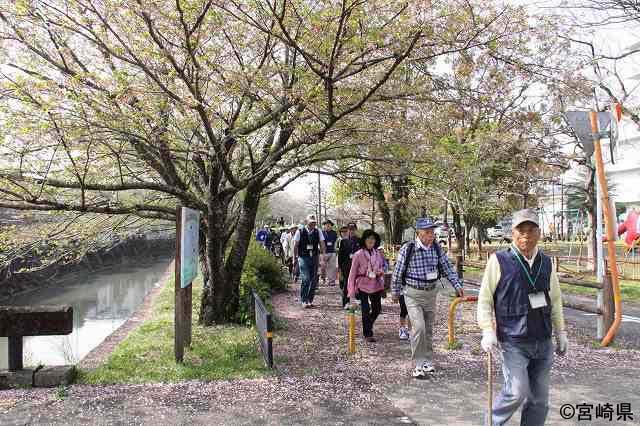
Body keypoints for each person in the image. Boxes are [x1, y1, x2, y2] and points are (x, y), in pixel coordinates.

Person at [478, 209, 568, 426]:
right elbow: (484, 299)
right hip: (513, 341)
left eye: (531, 230)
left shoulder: (546, 263)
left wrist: (561, 332)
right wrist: (487, 330)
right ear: (512, 233)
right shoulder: (499, 260)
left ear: (539, 232)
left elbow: (554, 300)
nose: (526, 235)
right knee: (515, 392)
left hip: (543, 340)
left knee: (539, 401)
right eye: (521, 230)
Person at [391, 218, 464, 379]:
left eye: (432, 232)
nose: (431, 236)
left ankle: (427, 360)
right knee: (419, 328)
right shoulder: (408, 249)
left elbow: (447, 268)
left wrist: (457, 285)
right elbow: (397, 272)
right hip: (412, 294)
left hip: (431, 293)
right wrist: (395, 292)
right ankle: (417, 364)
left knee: (428, 330)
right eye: (427, 232)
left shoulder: (437, 248)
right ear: (418, 233)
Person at [348, 229, 386, 343]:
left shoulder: (378, 253)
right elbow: (352, 274)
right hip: (362, 284)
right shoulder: (358, 254)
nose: (371, 241)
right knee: (365, 309)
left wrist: (380, 272)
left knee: (377, 309)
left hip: (376, 284)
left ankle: (367, 324)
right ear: (364, 240)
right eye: (368, 238)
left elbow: (382, 266)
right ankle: (368, 333)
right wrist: (351, 294)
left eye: (373, 239)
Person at [293, 215, 326, 308]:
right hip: (303, 257)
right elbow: (295, 245)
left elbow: (322, 243)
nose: (313, 224)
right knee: (306, 278)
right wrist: (294, 258)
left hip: (314, 257)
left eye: (314, 222)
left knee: (314, 280)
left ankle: (309, 300)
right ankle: (303, 300)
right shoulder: (300, 231)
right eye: (311, 222)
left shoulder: (318, 231)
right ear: (306, 222)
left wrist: (323, 257)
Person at [338, 222, 360, 309]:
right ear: (348, 230)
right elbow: (340, 256)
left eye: (353, 229)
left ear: (356, 230)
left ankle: (359, 300)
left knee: (358, 283)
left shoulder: (360, 241)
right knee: (347, 283)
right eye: (350, 229)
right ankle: (346, 302)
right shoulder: (343, 241)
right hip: (346, 265)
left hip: (357, 266)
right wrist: (340, 267)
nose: (352, 231)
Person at [320, 220, 338, 287]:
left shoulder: (334, 233)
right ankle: (323, 278)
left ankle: (331, 281)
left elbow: (335, 242)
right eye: (326, 224)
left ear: (331, 225)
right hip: (323, 252)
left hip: (332, 251)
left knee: (332, 267)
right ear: (324, 225)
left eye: (329, 224)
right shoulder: (321, 233)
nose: (328, 225)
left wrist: (335, 249)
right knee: (323, 266)